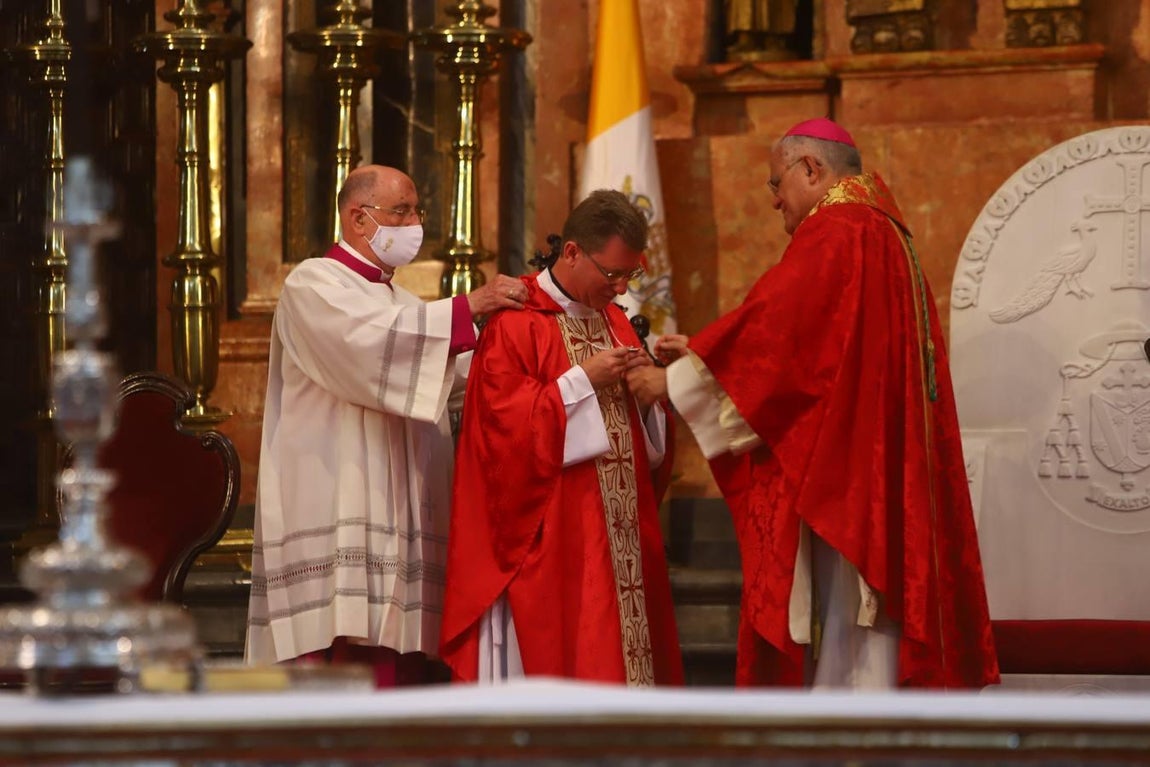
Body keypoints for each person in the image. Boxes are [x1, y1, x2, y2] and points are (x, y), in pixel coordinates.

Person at [627, 119, 1000, 690]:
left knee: (854, 634)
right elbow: (813, 346)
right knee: (863, 625)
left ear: (811, 168)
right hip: (873, 457)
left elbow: (782, 333)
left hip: (849, 477)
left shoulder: (838, 229)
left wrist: (672, 384)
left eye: (777, 183)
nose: (776, 200)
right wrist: (705, 352)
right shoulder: (883, 229)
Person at [245, 164, 527, 687]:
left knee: (399, 664)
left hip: (400, 513)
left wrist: (532, 360)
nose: (415, 222)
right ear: (358, 218)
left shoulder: (404, 304)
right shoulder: (313, 284)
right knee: (342, 666)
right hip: (337, 500)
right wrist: (471, 307)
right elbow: (371, 344)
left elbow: (457, 379)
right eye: (402, 211)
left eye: (416, 210)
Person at [439, 190, 684, 686]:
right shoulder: (516, 322)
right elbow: (498, 436)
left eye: (629, 275)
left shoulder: (614, 320)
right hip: (553, 540)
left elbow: (638, 439)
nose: (619, 289)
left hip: (619, 536)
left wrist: (647, 397)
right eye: (611, 273)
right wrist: (581, 381)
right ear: (571, 252)